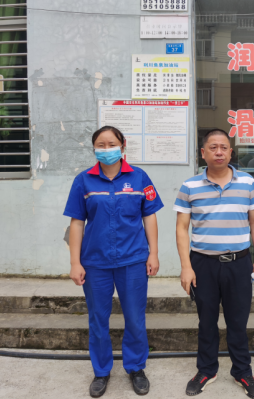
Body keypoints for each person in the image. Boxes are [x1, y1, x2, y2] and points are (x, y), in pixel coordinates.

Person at [64, 126, 163, 398]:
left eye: (111, 144)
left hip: (133, 260)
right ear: (94, 148)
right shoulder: (84, 180)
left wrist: (153, 253)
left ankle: (136, 368)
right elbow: (77, 222)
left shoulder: (139, 177)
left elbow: (150, 216)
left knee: (135, 318)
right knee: (98, 319)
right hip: (95, 262)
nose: (106, 149)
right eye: (101, 144)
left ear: (122, 146)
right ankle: (101, 371)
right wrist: (75, 262)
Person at [174, 128, 254, 399]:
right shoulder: (189, 186)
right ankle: (206, 370)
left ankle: (242, 372)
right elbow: (181, 228)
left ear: (231, 152)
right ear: (203, 153)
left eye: (224, 147)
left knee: (238, 321)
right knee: (206, 321)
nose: (219, 152)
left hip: (239, 263)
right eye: (213, 148)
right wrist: (186, 266)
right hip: (203, 264)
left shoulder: (247, 182)